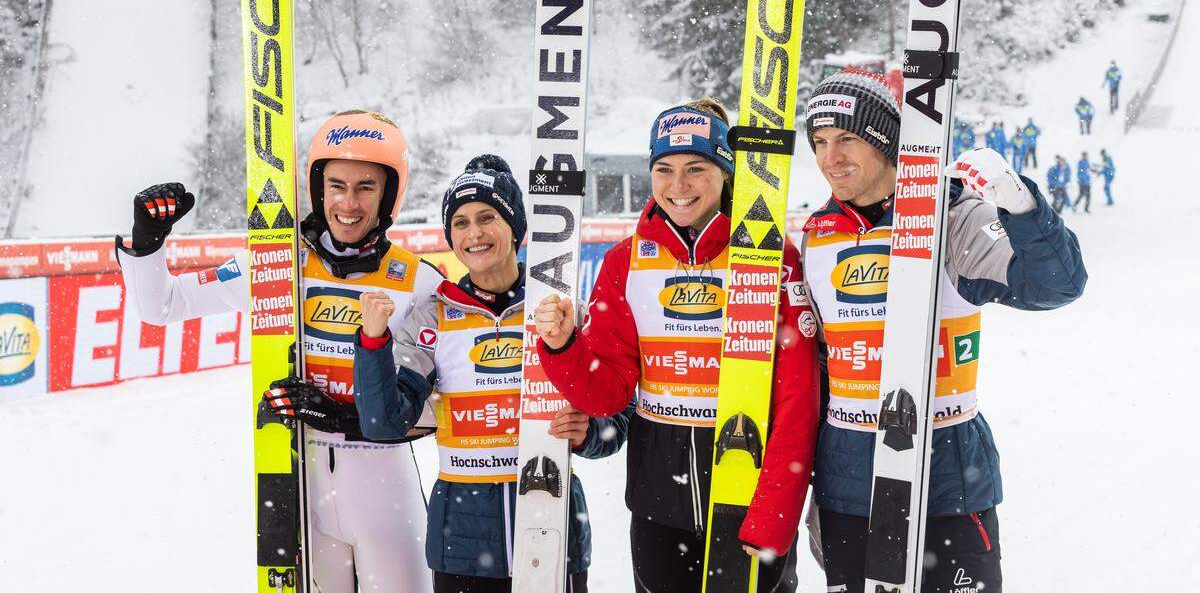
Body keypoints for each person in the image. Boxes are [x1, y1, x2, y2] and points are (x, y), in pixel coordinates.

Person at [116, 110, 442, 593]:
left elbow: (439, 407)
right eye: (335, 185)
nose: (347, 203)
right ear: (317, 187)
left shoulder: (420, 283)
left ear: (390, 195)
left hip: (383, 489)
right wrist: (148, 244)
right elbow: (162, 306)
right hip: (299, 483)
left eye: (365, 187)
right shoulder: (274, 264)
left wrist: (343, 417)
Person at [798, 70, 1086, 592]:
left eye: (847, 138)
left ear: (885, 142)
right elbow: (816, 363)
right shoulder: (817, 235)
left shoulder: (950, 218)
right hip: (849, 481)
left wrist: (1017, 203)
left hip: (946, 475)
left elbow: (1054, 285)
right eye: (819, 142)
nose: (829, 158)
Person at [531, 98, 820, 593]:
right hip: (658, 501)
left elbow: (797, 400)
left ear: (726, 173)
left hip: (746, 489)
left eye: (696, 168)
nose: (678, 186)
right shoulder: (625, 262)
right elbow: (608, 394)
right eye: (663, 169)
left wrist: (774, 512)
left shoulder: (771, 256)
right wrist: (561, 347)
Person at [353, 154, 629, 593]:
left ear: (516, 229)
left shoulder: (561, 308)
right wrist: (371, 343)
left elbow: (617, 416)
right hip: (462, 542)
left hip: (553, 529)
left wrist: (590, 430)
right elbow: (383, 421)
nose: (474, 233)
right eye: (459, 223)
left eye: (487, 217)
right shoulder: (434, 316)